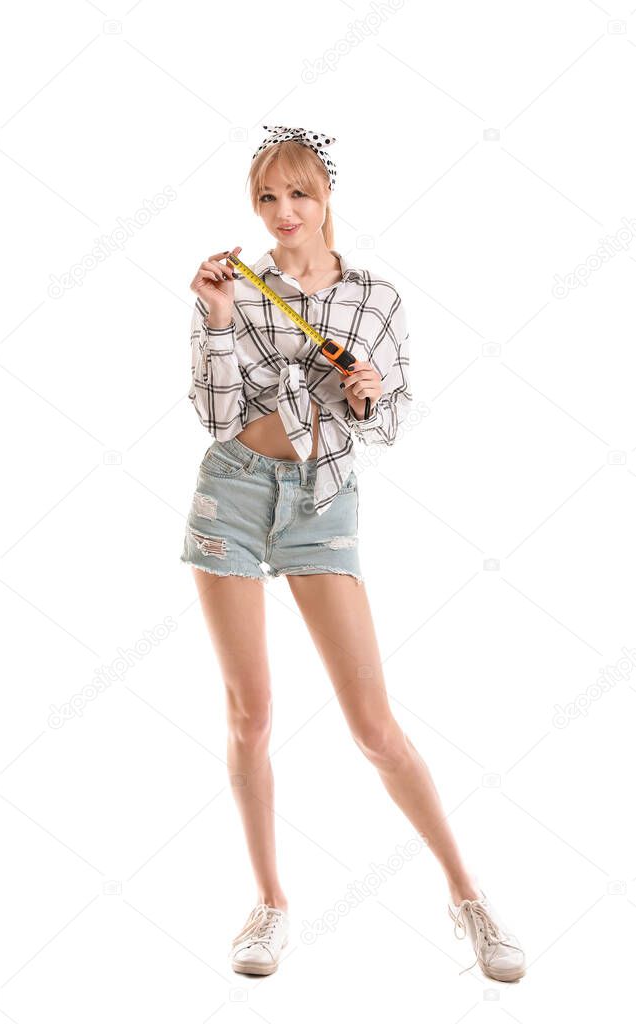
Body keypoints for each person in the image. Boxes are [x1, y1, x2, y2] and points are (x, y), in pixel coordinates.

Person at [181, 125, 526, 982]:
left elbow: (394, 417)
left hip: (321, 503)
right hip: (232, 488)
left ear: (326, 195)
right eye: (266, 197)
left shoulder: (375, 299)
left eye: (297, 193)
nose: (283, 211)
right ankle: (268, 905)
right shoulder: (235, 284)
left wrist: (369, 395)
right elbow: (214, 411)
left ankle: (468, 899)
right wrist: (220, 320)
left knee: (372, 727)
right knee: (249, 714)